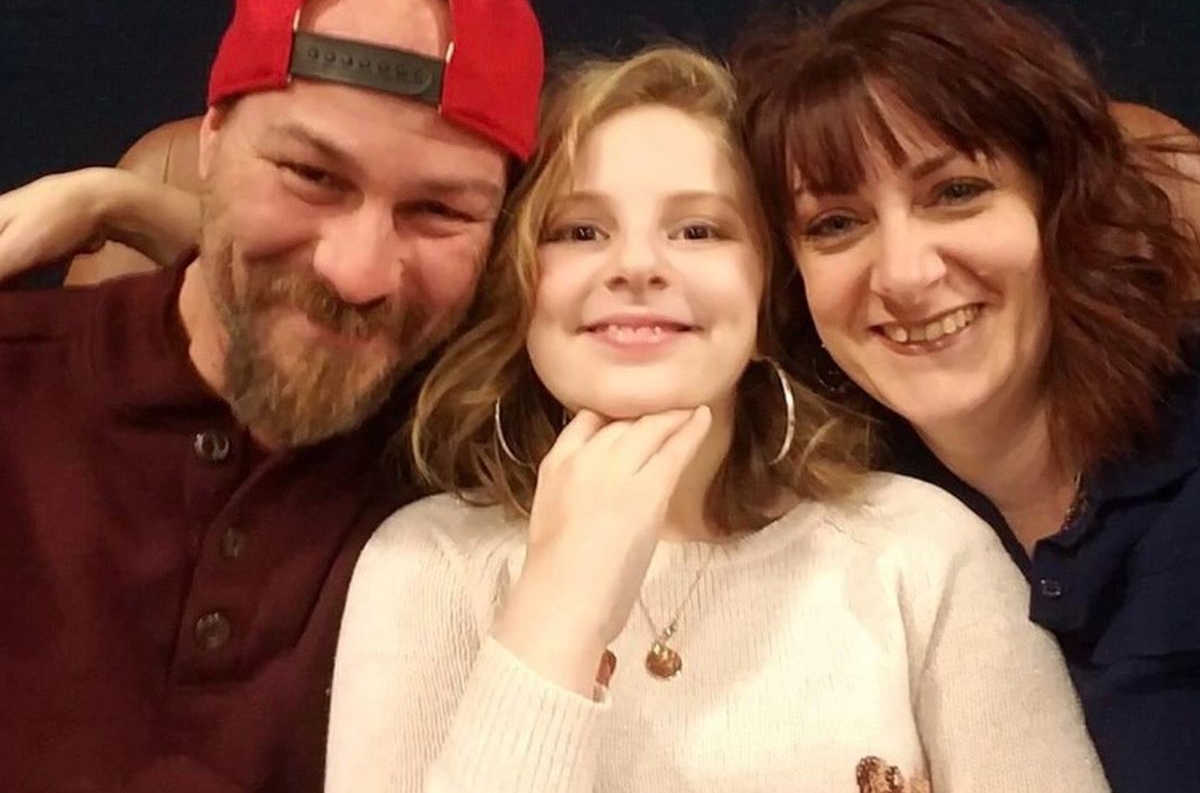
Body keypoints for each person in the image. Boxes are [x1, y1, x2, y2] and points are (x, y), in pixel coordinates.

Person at [322, 45, 1107, 792]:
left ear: (769, 301)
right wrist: (556, 610)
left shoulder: (925, 553)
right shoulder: (424, 565)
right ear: (520, 288)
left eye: (698, 230)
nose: (637, 265)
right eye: (580, 231)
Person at [0, 0, 542, 792]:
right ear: (211, 140)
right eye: (312, 176)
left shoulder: (493, 477)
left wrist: (117, 203)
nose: (358, 272)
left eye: (440, 211)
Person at [732, 0, 1200, 793]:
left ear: (1059, 205)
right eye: (836, 224)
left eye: (956, 193)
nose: (905, 275)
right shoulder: (849, 540)